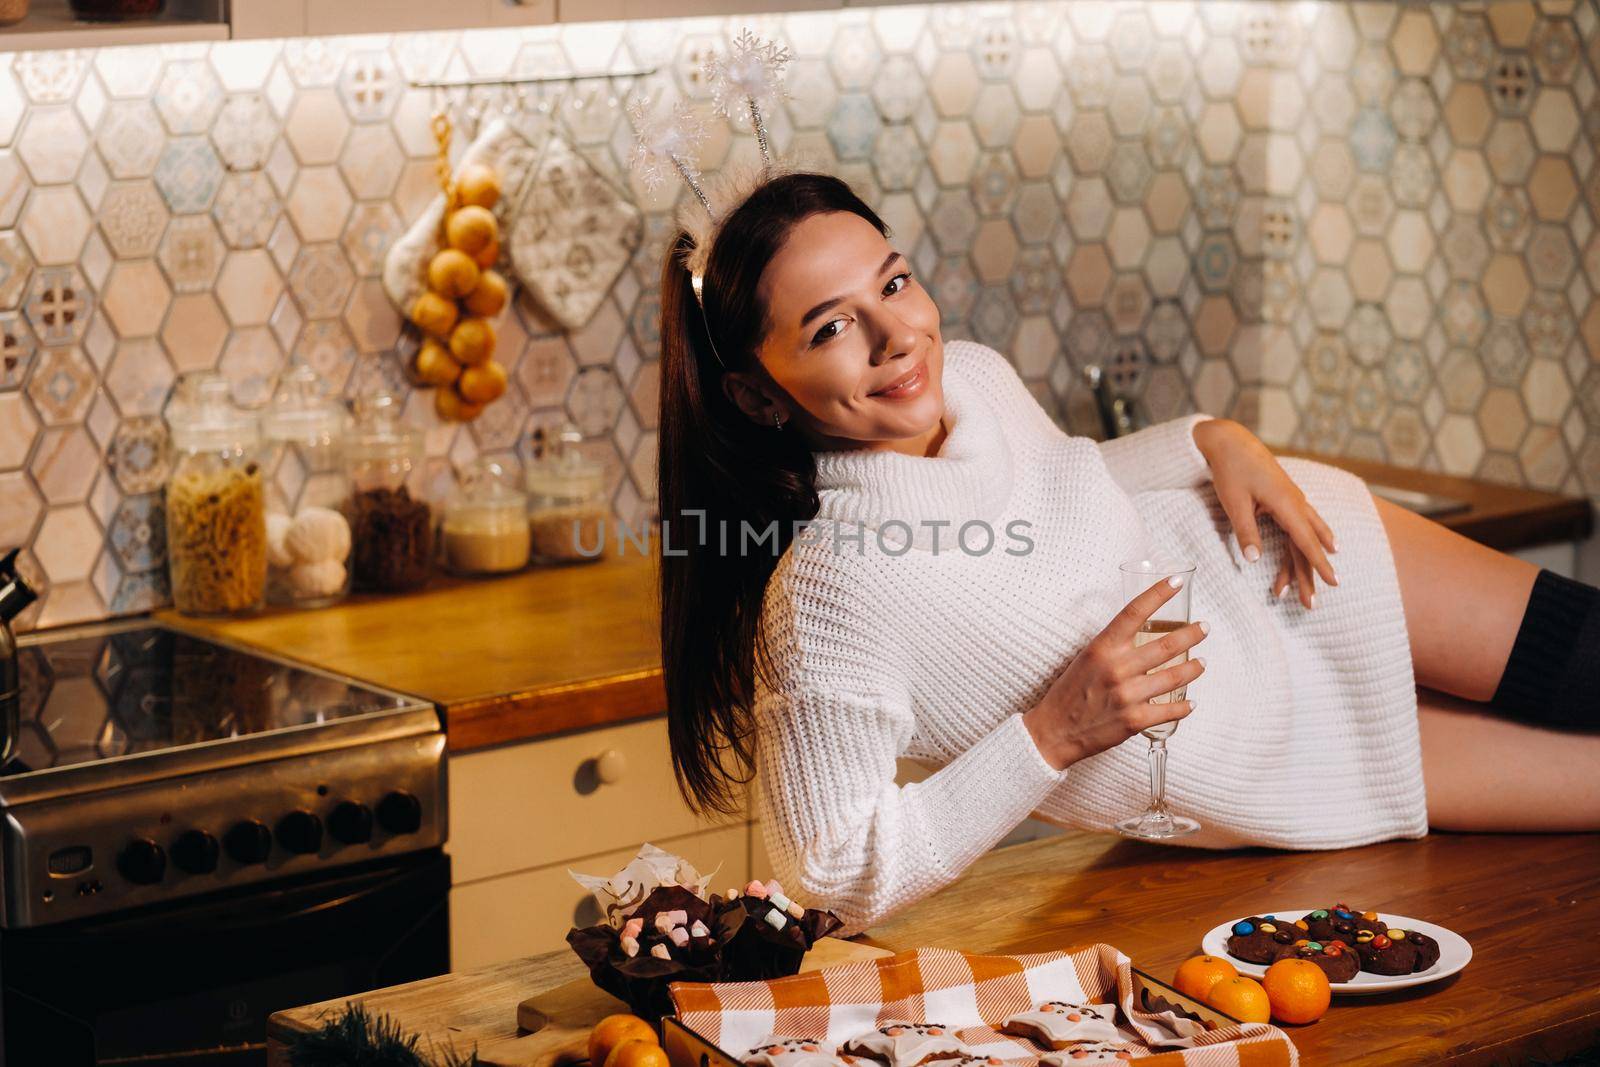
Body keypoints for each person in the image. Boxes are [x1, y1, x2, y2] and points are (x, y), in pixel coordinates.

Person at [654, 170, 1600, 935]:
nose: (899, 336)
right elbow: (832, 875)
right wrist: (1051, 734)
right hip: (1279, 759)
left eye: (894, 282)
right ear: (756, 395)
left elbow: (1075, 478)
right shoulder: (829, 593)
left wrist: (1206, 437)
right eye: (832, 326)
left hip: (1287, 564)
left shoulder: (974, 378)